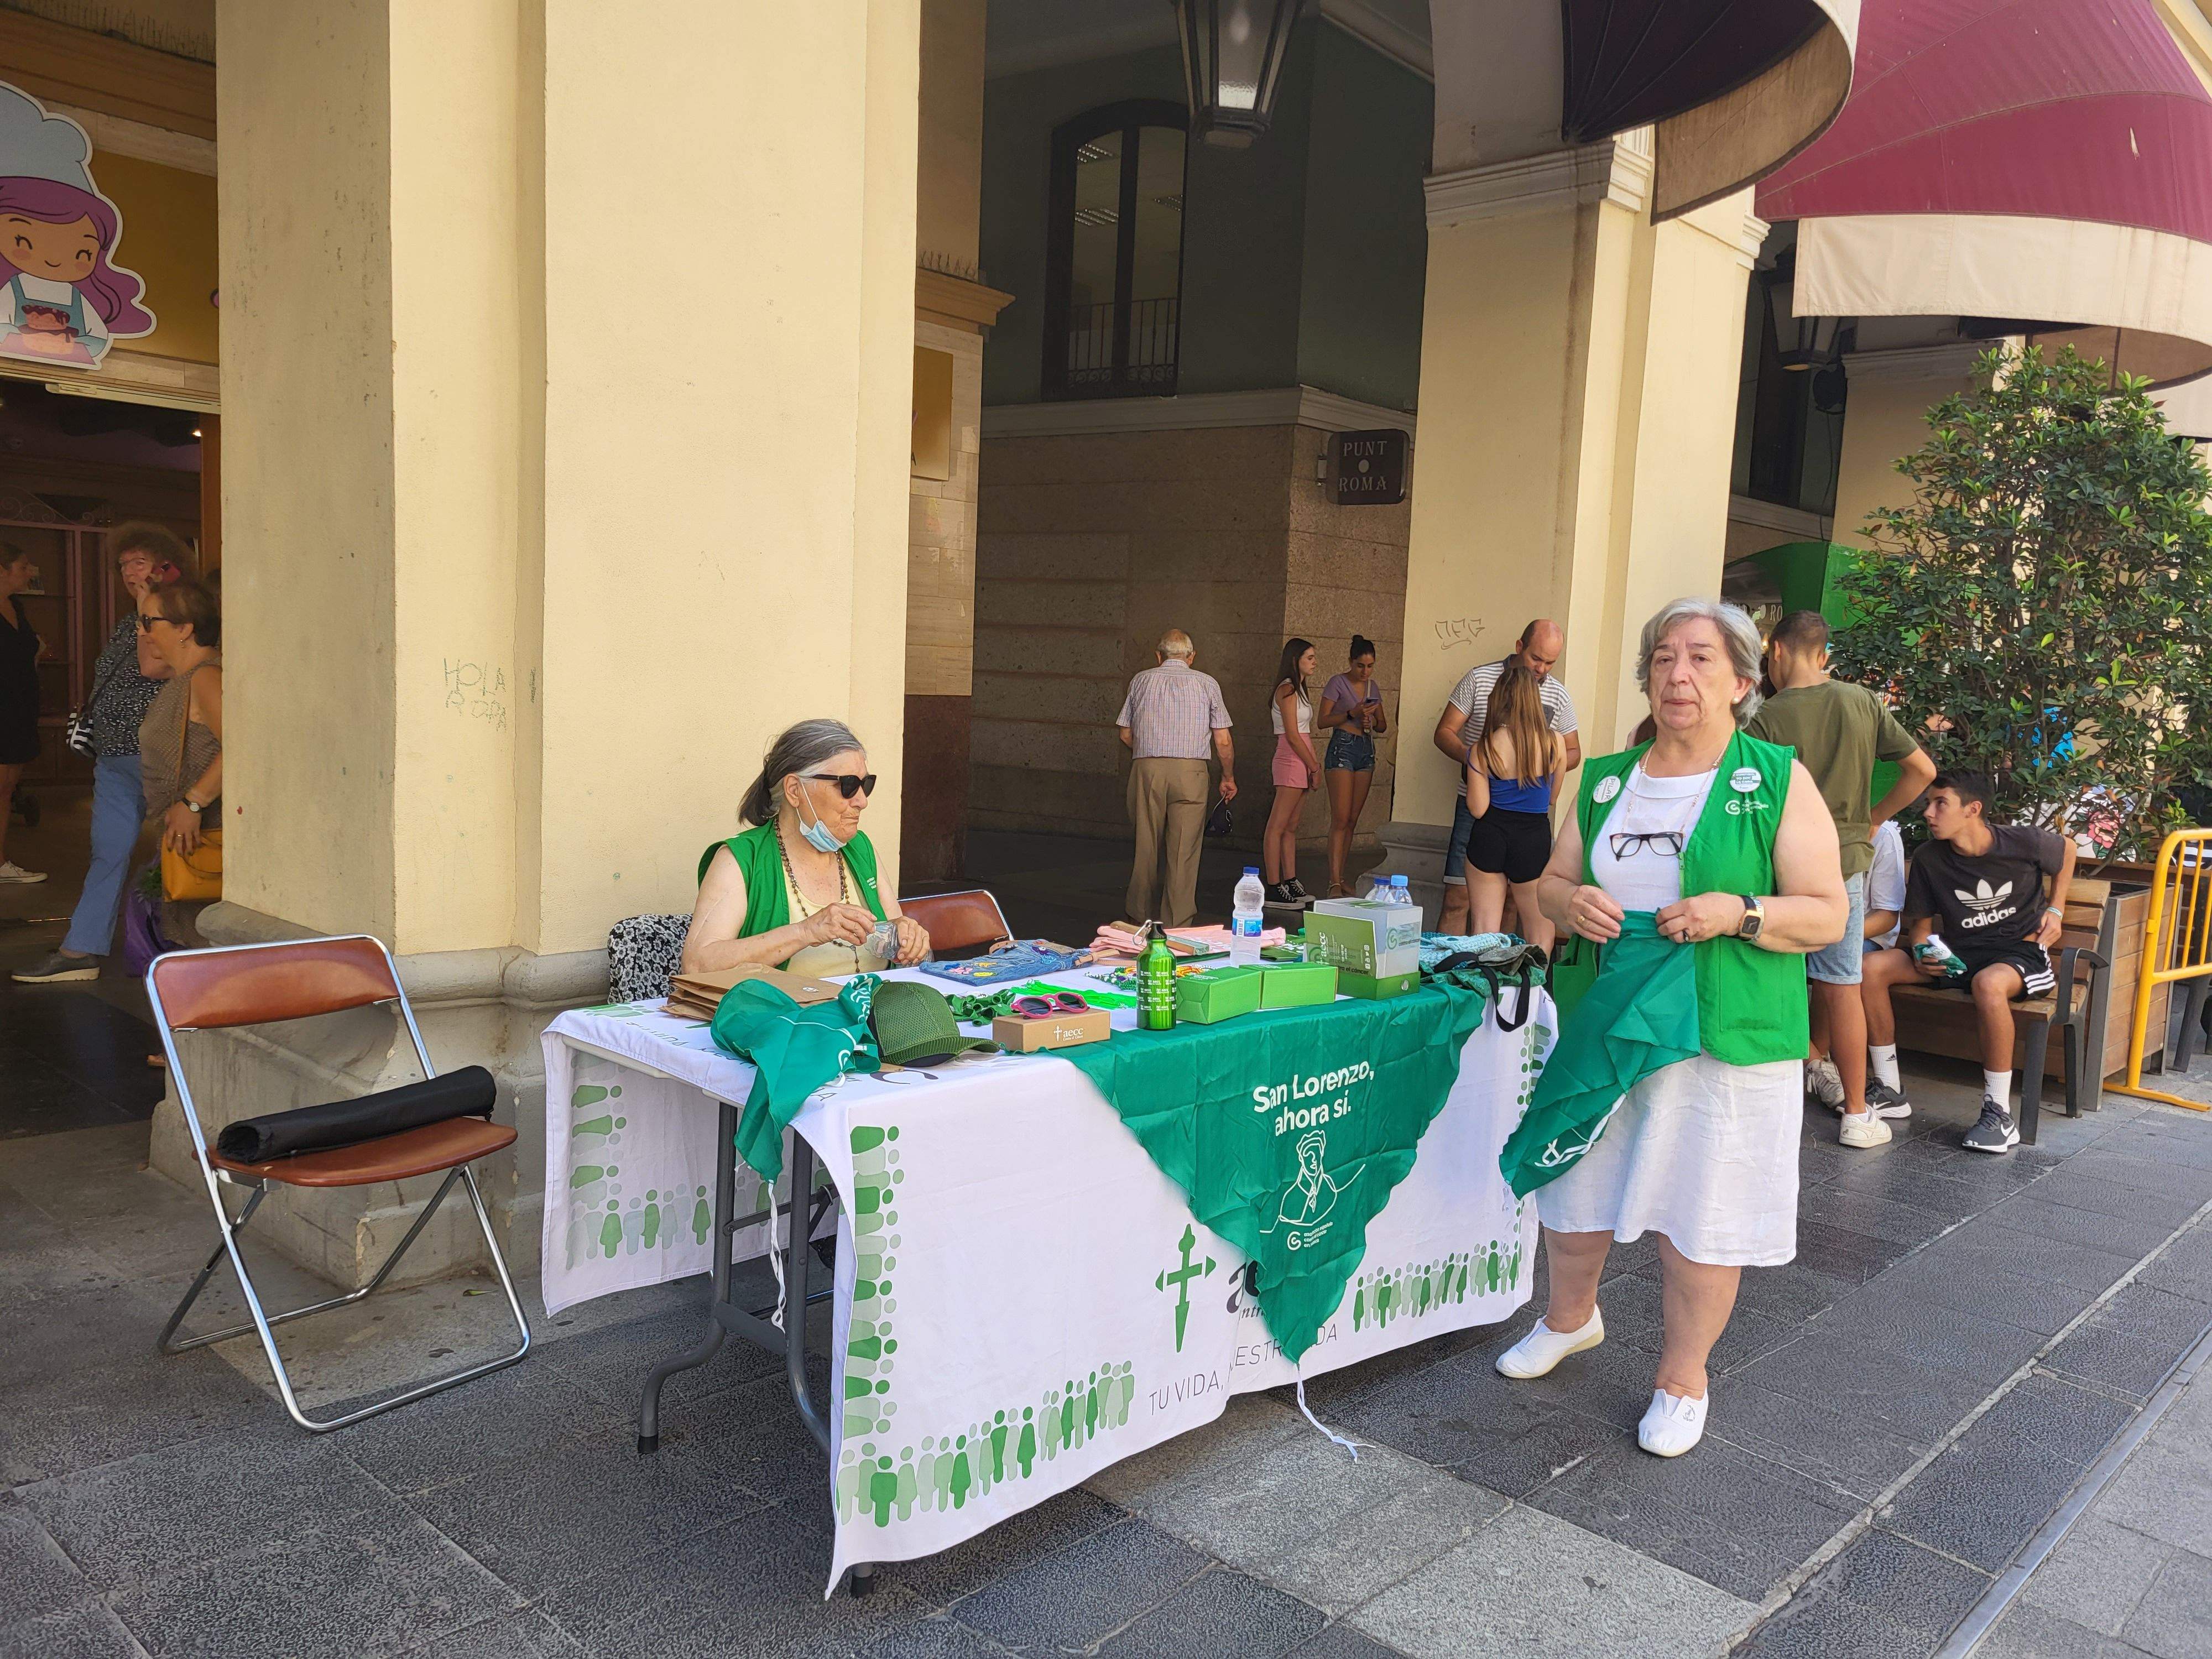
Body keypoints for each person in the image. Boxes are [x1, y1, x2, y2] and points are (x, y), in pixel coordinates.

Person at [1498, 597, 1845, 1458]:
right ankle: (1570, 1318)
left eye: (1698, 659)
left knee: (1704, 1206)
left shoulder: (1775, 777)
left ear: (1740, 680)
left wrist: (1741, 910)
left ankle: (1683, 1377)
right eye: (1662, 659)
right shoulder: (1611, 777)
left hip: (1720, 1034)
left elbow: (1828, 914)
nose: (1677, 675)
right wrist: (1566, 901)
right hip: (1610, 1019)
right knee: (1575, 1180)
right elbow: (1548, 883)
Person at [1748, 611, 1936, 1149]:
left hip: (1782, 865)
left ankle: (1769, 1101)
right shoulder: (1862, 702)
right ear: (1823, 654)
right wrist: (1874, 817)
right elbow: (1921, 770)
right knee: (1841, 985)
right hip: (1846, 861)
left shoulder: (1768, 718)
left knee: (1774, 978)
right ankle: (1857, 1114)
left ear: (1778, 653)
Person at [1860, 772, 2074, 1154]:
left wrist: (2056, 909)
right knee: (1871, 968)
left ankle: (1999, 1113)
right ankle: (1890, 1089)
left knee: (1988, 985)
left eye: (1940, 803)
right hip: (1959, 955)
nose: (1928, 812)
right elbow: (1921, 930)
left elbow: (2068, 850)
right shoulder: (1929, 858)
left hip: (2019, 955)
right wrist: (1926, 955)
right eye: (1928, 803)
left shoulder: (2021, 842)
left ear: (1972, 809)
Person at [13, 522, 190, 984]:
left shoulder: (176, 611)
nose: (130, 572)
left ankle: (180, 948)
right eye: (123, 565)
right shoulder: (134, 618)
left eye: (139, 562)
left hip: (154, 753)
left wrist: (147, 609)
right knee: (107, 852)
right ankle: (81, 950)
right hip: (114, 754)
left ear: (165, 565)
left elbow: (155, 666)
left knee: (174, 854)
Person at [685, 718, 932, 979]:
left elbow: (895, 932)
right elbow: (698, 965)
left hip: (873, 1012)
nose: (862, 801)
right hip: (787, 1017)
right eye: (847, 786)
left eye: (865, 784)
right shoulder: (741, 860)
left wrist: (906, 935)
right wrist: (806, 932)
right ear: (794, 790)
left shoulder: (860, 848)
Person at [1434, 620, 1579, 933]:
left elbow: (1574, 752)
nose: (1542, 668)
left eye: (1550, 662)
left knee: (1516, 903)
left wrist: (1530, 768)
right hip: (1480, 806)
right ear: (1519, 648)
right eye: (1536, 659)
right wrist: (1482, 766)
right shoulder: (1481, 678)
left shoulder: (1558, 694)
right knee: (1458, 898)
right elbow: (1444, 732)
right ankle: (1451, 979)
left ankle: (1506, 977)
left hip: (1526, 813)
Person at [1116, 628, 1235, 928]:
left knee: (1145, 846)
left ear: (1159, 656)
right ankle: (1178, 925)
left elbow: (1126, 733)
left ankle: (1136, 921)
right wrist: (1228, 777)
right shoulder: (1207, 683)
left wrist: (1152, 751)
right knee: (1185, 851)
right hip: (1192, 772)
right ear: (1191, 657)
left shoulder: (1142, 680)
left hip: (1148, 769)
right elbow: (1223, 740)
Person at [137, 581, 222, 945]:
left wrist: (194, 802)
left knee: (204, 949)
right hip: (182, 838)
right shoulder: (183, 678)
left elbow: (244, 749)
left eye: (149, 621)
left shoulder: (206, 677)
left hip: (203, 838)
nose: (142, 632)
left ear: (185, 628)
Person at [1463, 662, 1562, 952]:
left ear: (1499, 698)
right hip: (1533, 837)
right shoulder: (1554, 743)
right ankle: (1534, 995)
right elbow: (1551, 799)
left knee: (1484, 933)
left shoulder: (1483, 747)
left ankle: (1486, 995)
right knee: (1540, 930)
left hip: (1491, 835)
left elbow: (1478, 809)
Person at [1319, 637, 1387, 898]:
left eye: (1370, 666)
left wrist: (1373, 718)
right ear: (1351, 662)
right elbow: (1323, 720)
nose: (1366, 671)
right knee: (1340, 817)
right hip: (1343, 746)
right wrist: (1352, 713)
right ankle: (1334, 881)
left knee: (1352, 820)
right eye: (1361, 666)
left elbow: (1383, 725)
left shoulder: (1373, 687)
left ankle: (1342, 877)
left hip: (1365, 748)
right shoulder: (1338, 682)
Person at [1262, 638, 1322, 905]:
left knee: (1291, 825)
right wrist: (1314, 766)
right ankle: (1274, 885)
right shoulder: (1287, 690)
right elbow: (1293, 735)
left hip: (1301, 757)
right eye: (1309, 657)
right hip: (1291, 758)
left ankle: (1290, 879)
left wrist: (1311, 764)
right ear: (1295, 659)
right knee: (1277, 825)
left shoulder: (1299, 690)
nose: (1314, 662)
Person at [0, 541, 44, 883]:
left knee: (7, 786)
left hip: (18, 708)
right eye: (23, 567)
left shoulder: (17, 606)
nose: (30, 573)